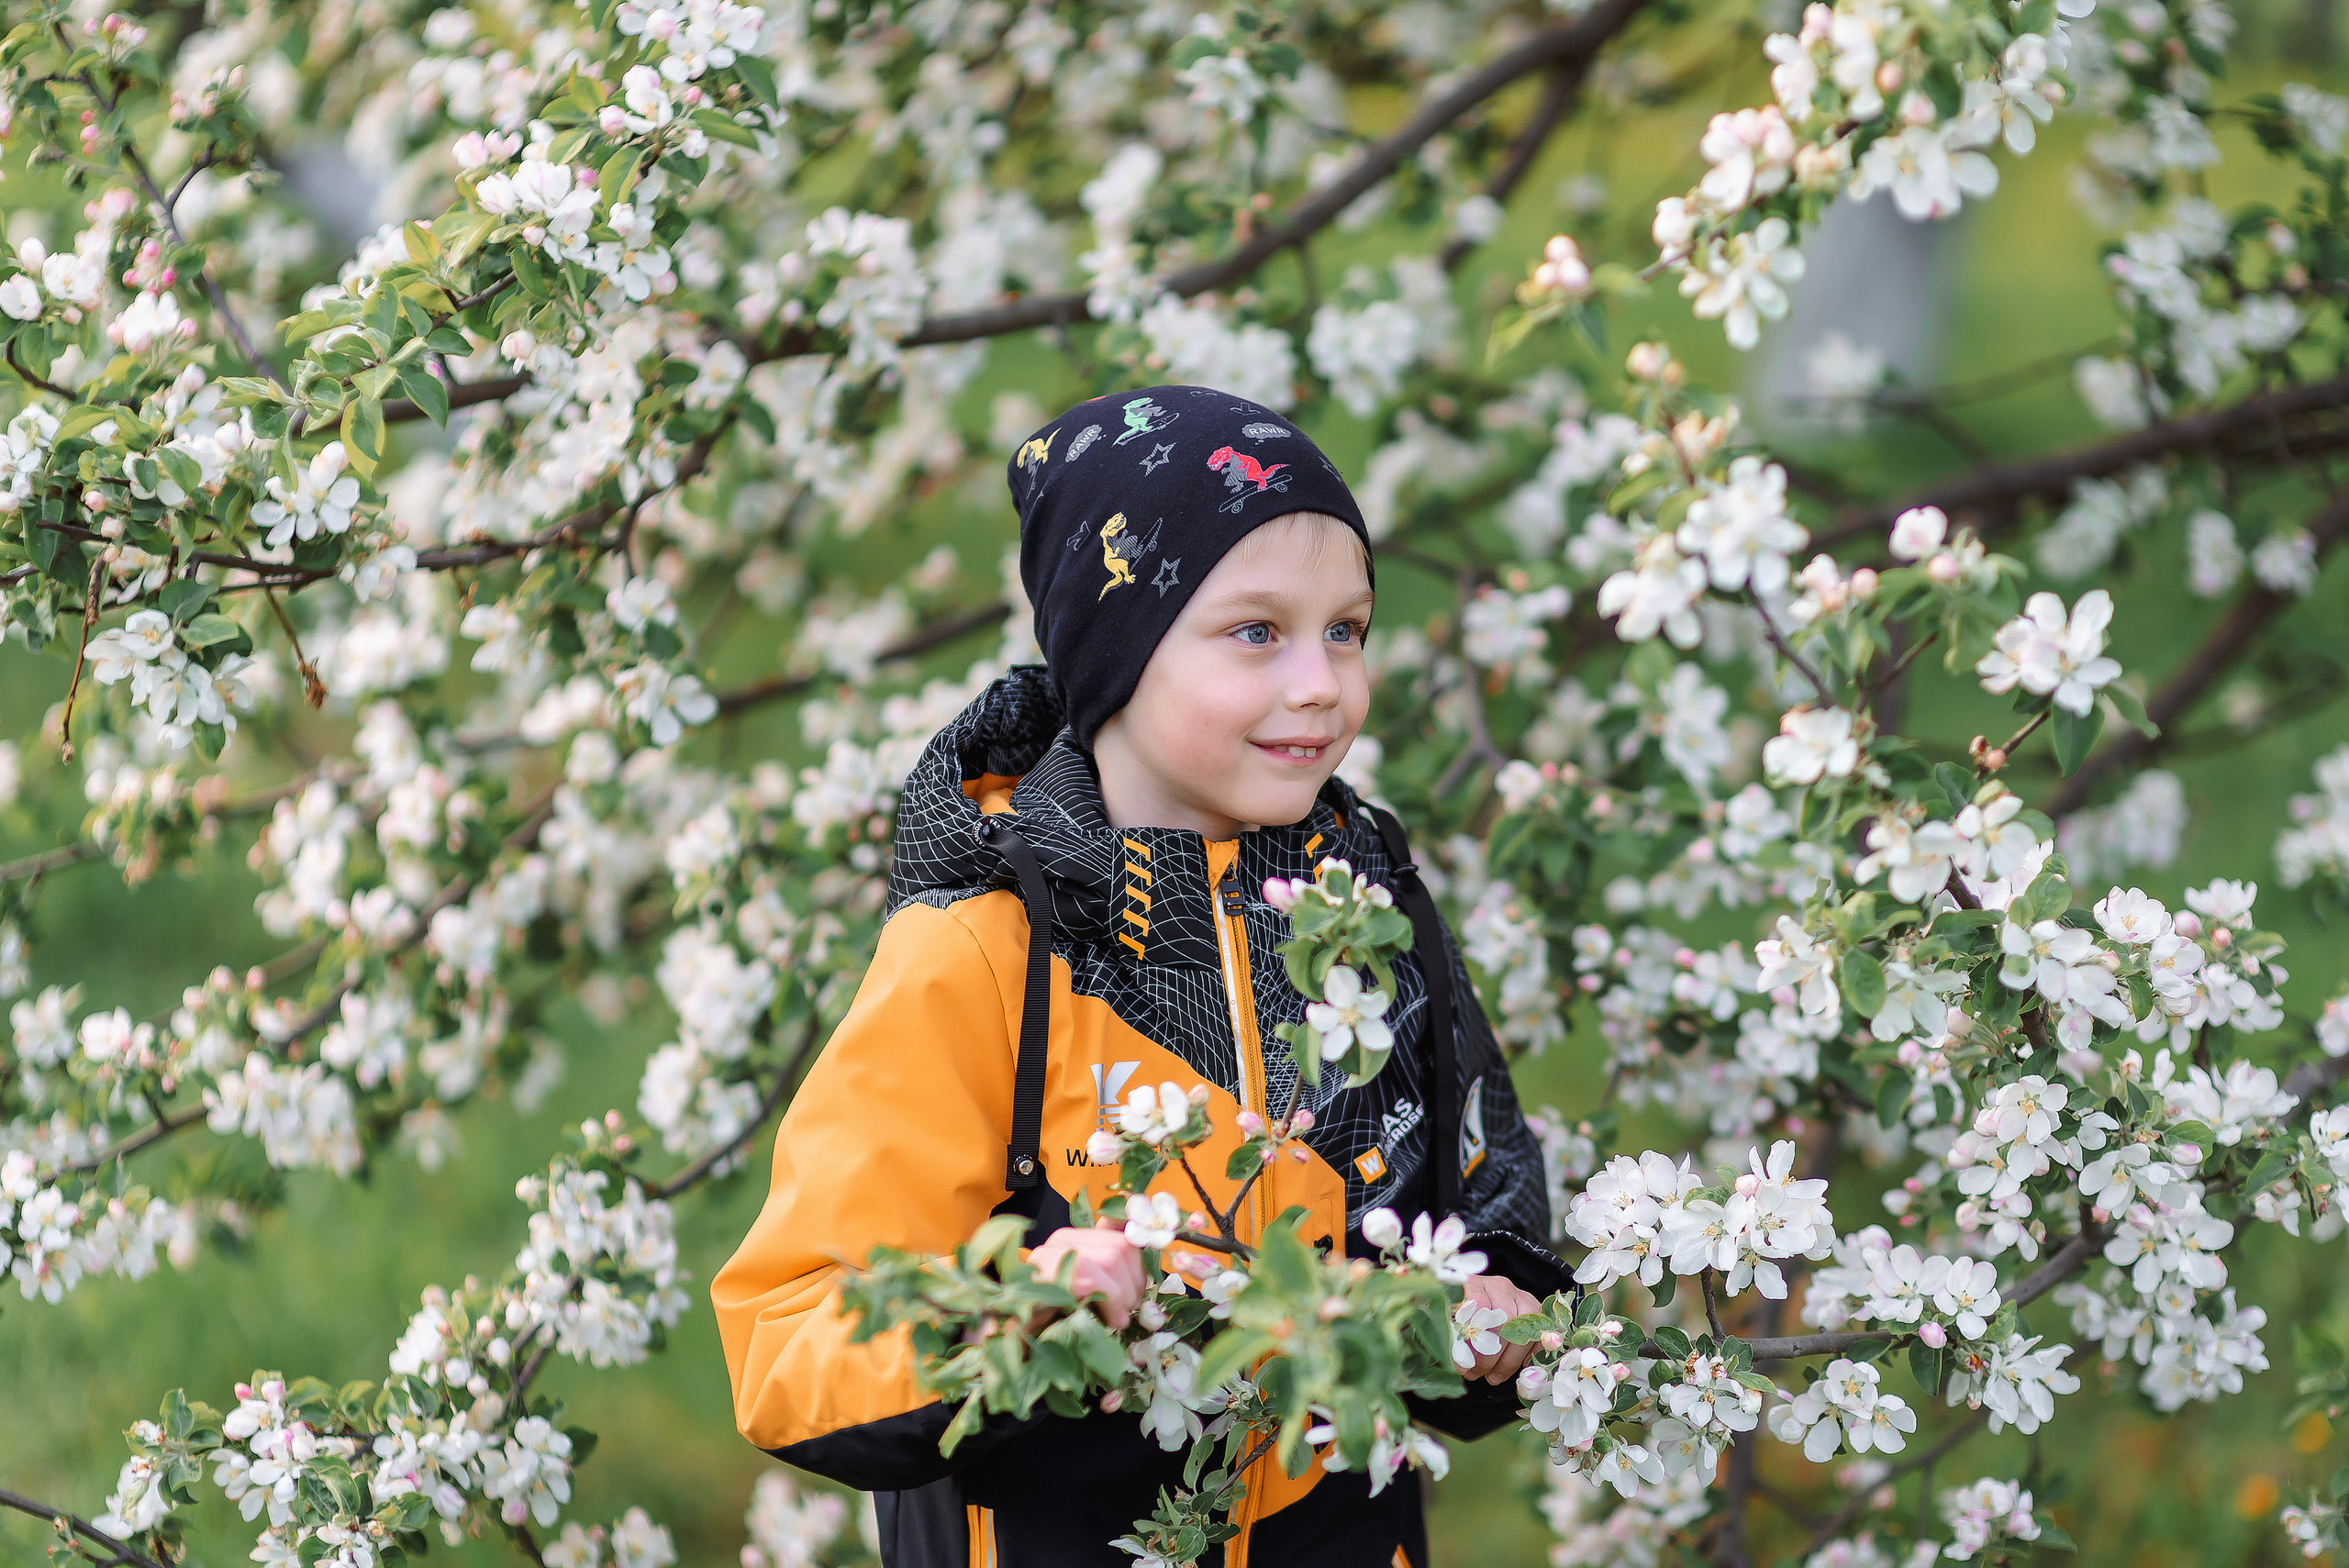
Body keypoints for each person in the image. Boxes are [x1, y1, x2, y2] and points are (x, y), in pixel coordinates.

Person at [713, 386, 1566, 1567]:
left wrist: (1495, 1316)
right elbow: (789, 1327)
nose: (1320, 681)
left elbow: (1487, 1206)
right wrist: (1012, 1311)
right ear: (1116, 655)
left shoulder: (1369, 909)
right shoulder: (983, 949)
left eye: (1347, 629)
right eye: (1256, 632)